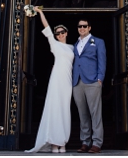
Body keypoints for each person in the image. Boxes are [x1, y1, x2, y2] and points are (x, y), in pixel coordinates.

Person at [27, 9, 75, 153]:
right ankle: (54, 142)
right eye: (57, 33)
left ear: (66, 33)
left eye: (62, 32)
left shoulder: (72, 47)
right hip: (56, 80)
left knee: (65, 110)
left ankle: (63, 142)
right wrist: (40, 12)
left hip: (67, 81)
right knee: (54, 109)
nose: (60, 35)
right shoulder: (54, 44)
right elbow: (46, 27)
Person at [72, 18, 106, 153]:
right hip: (77, 82)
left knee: (95, 113)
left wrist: (100, 78)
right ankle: (85, 142)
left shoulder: (98, 42)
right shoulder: (75, 44)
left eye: (84, 26)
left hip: (92, 81)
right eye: (79, 26)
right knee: (82, 114)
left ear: (89, 28)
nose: (82, 28)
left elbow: (102, 61)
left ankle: (97, 142)